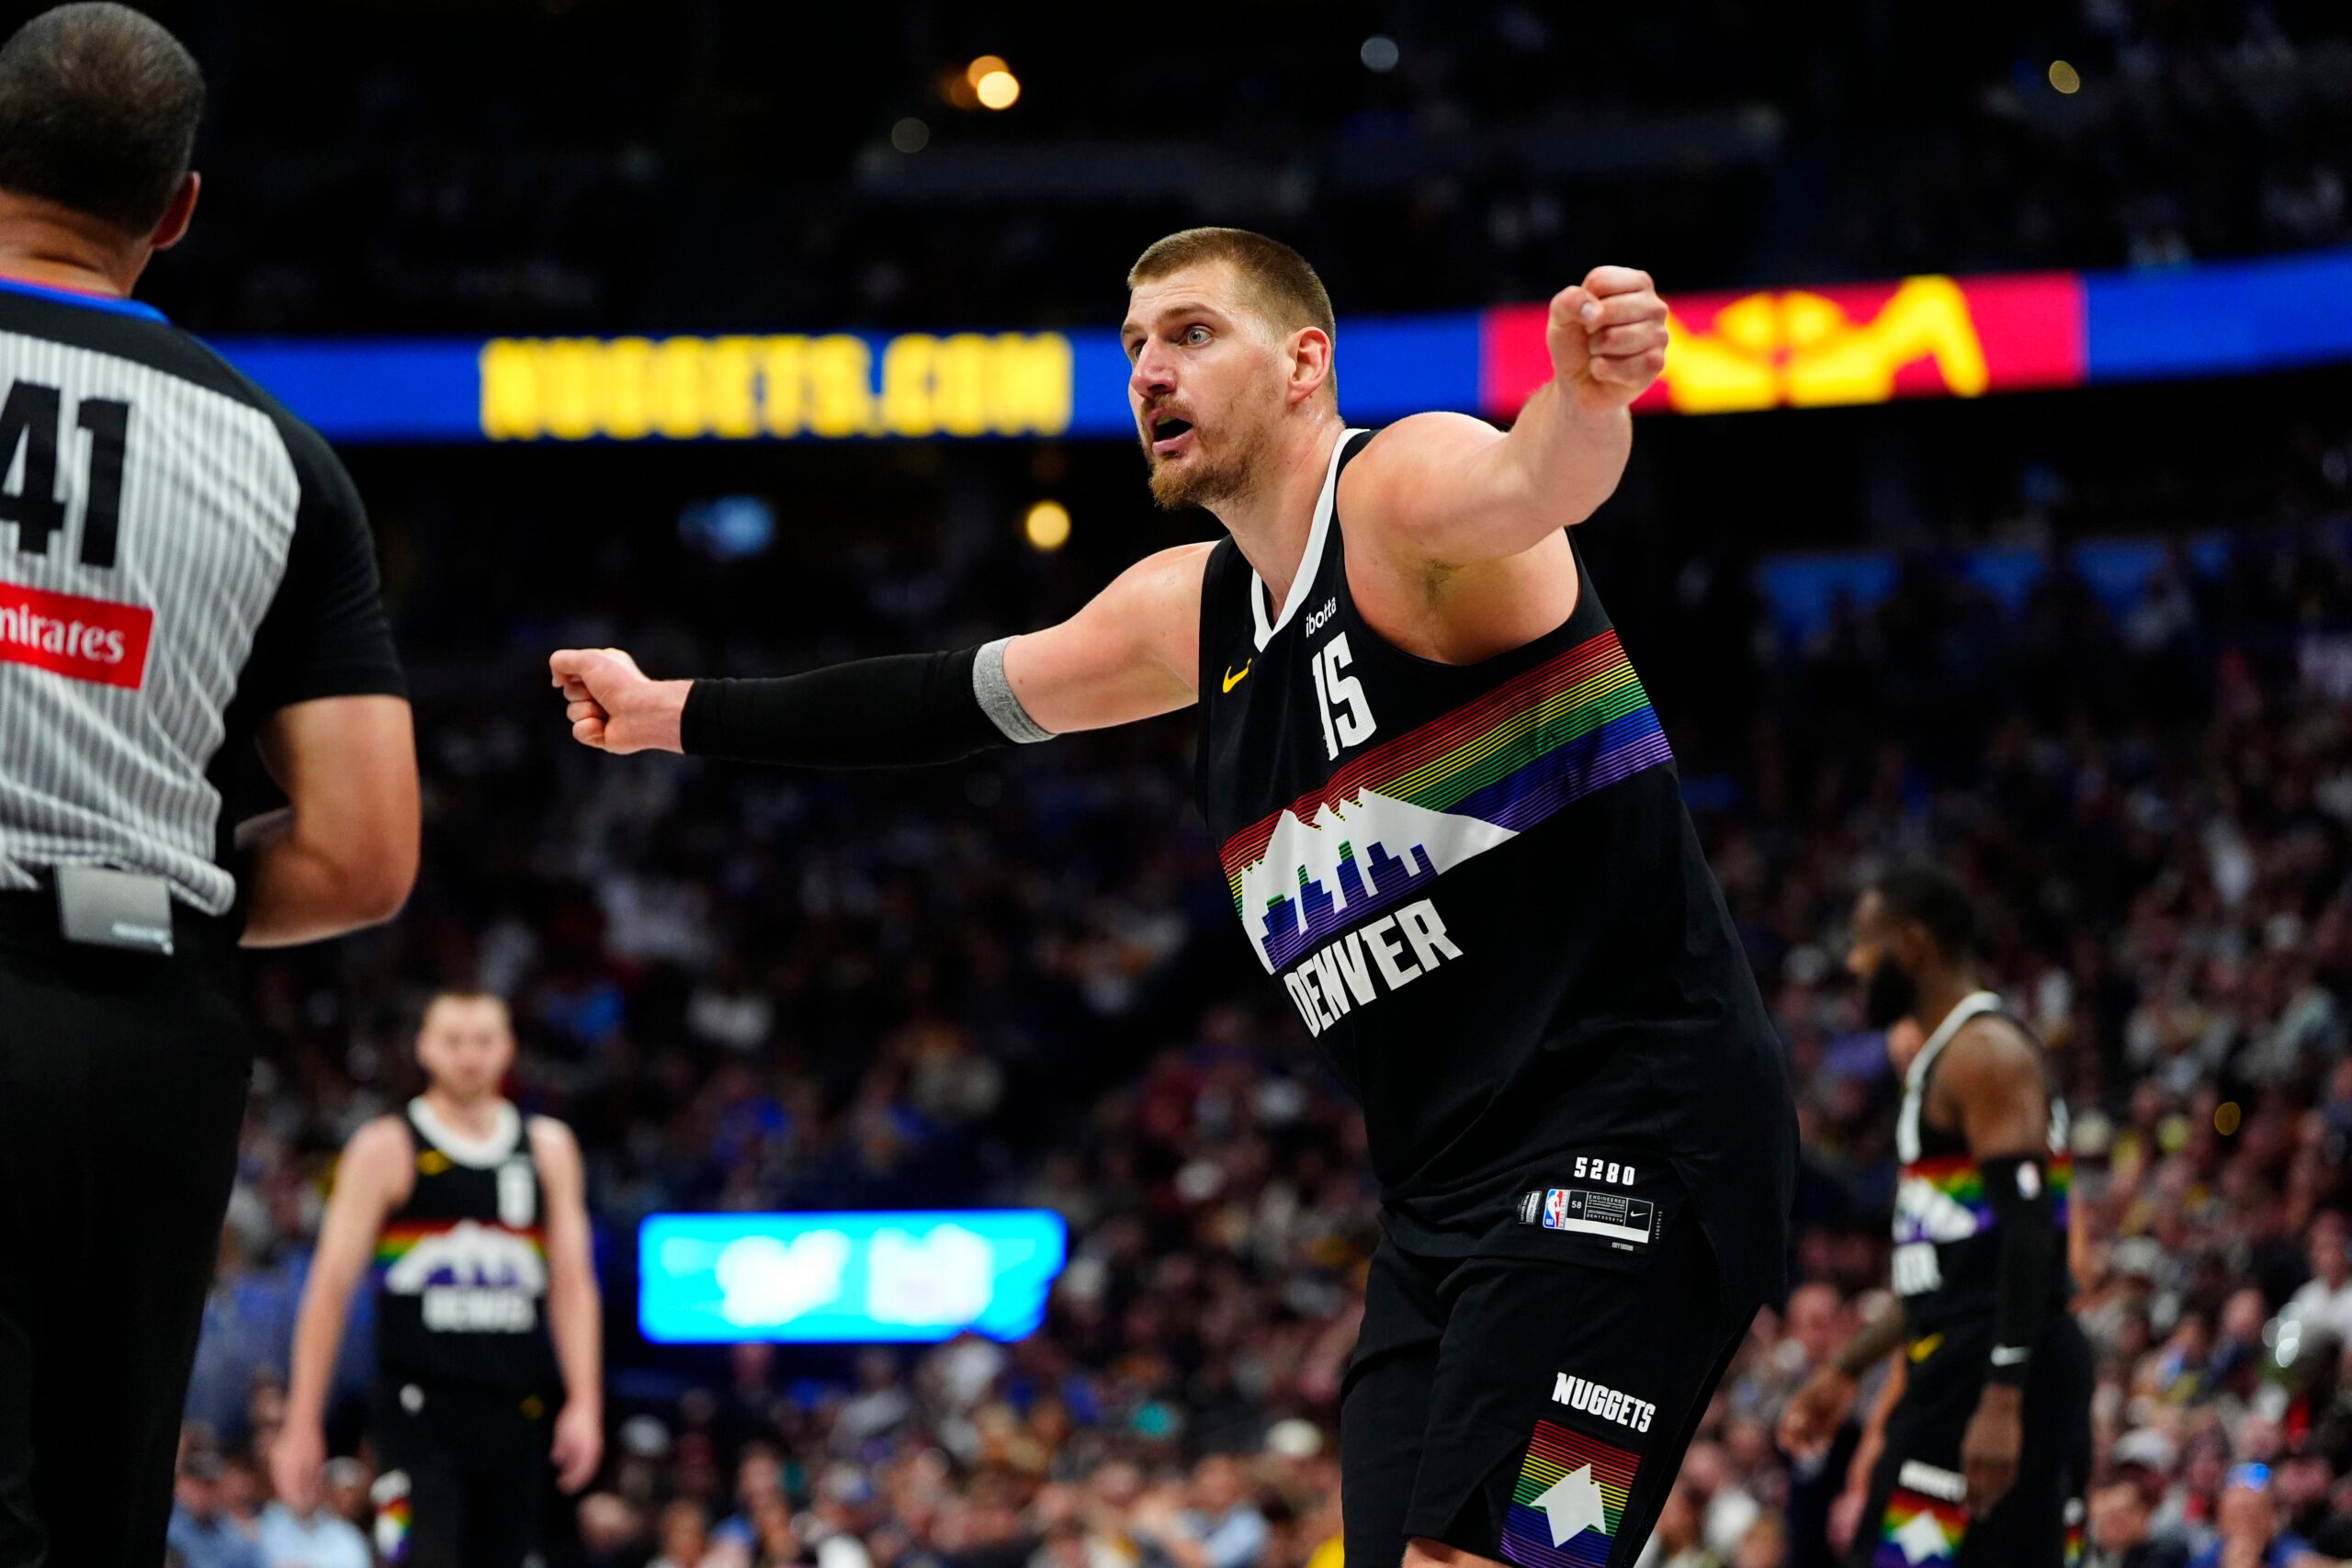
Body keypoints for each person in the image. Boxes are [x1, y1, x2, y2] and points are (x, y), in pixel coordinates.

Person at [550, 224, 1796, 1568]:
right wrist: (673, 712)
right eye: (1136, 341)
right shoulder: (1187, 616)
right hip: (1442, 1199)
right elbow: (940, 698)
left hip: (1636, 1136)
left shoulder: (1399, 496)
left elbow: (1530, 479)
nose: (1149, 367)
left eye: (1192, 333)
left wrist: (1589, 397)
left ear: (1305, 360)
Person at [0, 6, 416, 1563]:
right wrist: (149, 879)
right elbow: (367, 856)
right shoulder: (283, 455)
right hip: (148, 1033)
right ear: (176, 210)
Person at [1781, 867, 2094, 1567]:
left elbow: (2028, 1230)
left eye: (1867, 943)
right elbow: (1947, 1273)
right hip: (1964, 1354)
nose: (1856, 962)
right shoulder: (1946, 1058)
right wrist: (1845, 1367)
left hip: (1993, 1368)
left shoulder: (1984, 1054)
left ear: (1914, 944)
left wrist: (2003, 1394)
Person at [271, 991, 603, 1566]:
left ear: (508, 1048)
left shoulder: (548, 1148)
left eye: (482, 1040)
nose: (468, 1056)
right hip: (416, 1419)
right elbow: (328, 1290)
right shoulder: (385, 1147)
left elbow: (574, 1286)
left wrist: (585, 1402)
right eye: (453, 1040)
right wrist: (302, 1421)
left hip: (516, 1417)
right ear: (424, 1047)